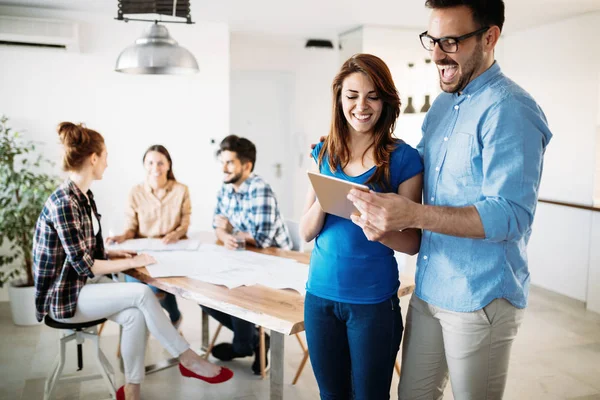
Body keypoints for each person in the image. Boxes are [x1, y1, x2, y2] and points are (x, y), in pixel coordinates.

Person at [347, 1, 553, 398]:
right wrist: (349, 151)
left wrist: (414, 214)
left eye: (451, 41)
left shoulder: (511, 110)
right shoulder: (442, 105)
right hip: (430, 287)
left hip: (480, 297)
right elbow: (415, 170)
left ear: (490, 38)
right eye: (432, 40)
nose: (437, 54)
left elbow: (510, 215)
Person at [33, 122, 233, 400]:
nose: (107, 162)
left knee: (135, 316)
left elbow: (84, 250)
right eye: (104, 156)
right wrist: (133, 260)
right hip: (63, 297)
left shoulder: (83, 197)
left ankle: (131, 391)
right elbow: (85, 266)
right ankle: (188, 359)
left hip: (78, 288)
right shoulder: (65, 202)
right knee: (140, 293)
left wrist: (115, 253)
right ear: (93, 159)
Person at [300, 54, 424, 400]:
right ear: (339, 99)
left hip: (372, 304)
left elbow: (413, 242)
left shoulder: (404, 159)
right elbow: (306, 231)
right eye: (352, 95)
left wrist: (379, 229)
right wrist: (327, 194)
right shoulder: (324, 153)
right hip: (319, 299)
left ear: (386, 100)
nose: (361, 106)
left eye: (372, 95)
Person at [204, 134, 293, 375]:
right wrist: (225, 235)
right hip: (244, 258)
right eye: (222, 162)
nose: (223, 168)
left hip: (275, 261)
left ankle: (243, 344)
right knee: (205, 292)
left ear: (247, 166)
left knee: (238, 289)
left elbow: (262, 239)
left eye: (229, 162)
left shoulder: (259, 188)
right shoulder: (226, 187)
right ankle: (253, 340)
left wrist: (231, 230)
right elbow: (217, 225)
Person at [106, 145, 189, 328]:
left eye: (160, 163)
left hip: (170, 250)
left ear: (168, 165)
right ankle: (164, 323)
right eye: (150, 163)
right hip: (143, 250)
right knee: (139, 289)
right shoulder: (136, 192)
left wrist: (175, 234)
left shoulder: (181, 190)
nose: (155, 168)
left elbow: (185, 223)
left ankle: (171, 319)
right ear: (144, 165)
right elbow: (131, 227)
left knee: (155, 288)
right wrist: (122, 236)